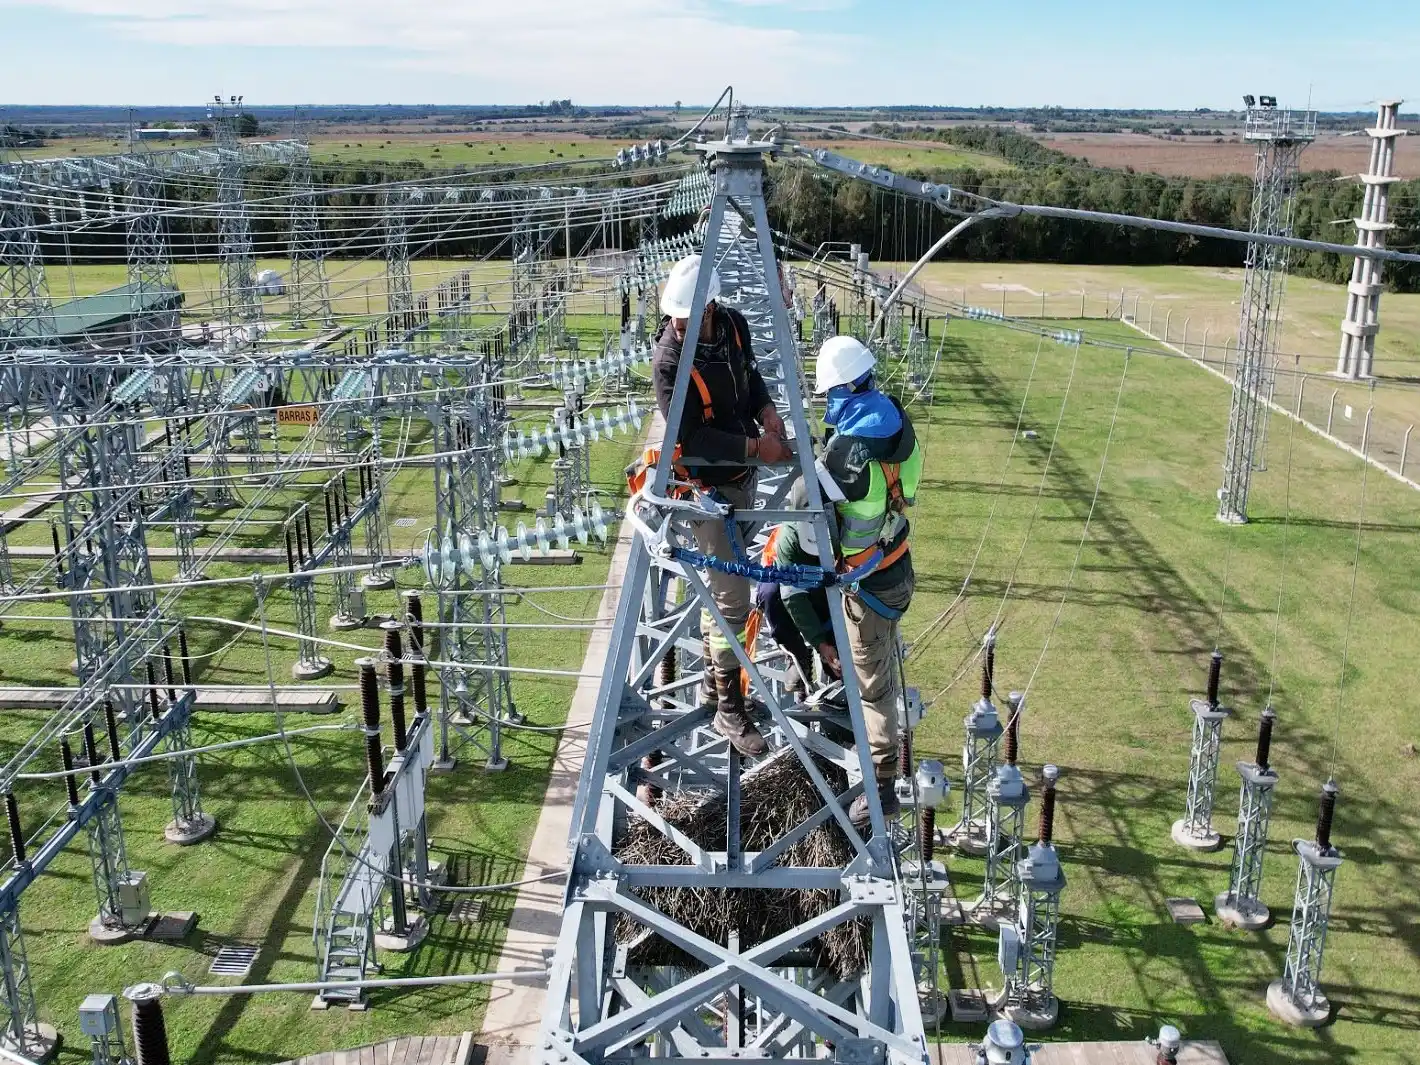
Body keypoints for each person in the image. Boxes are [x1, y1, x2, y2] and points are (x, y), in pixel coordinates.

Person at [652, 254, 792, 756]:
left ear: (710, 306)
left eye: (687, 315)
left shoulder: (732, 326)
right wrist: (759, 448)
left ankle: (716, 682)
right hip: (705, 492)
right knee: (731, 598)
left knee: (723, 591)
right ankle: (729, 710)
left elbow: (749, 379)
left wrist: (767, 411)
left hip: (741, 477)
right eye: (675, 316)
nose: (678, 324)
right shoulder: (670, 361)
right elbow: (689, 438)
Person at [813, 335, 923, 826]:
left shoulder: (847, 449)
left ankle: (880, 790)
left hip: (869, 584)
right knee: (879, 669)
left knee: (874, 689)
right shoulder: (896, 420)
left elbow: (812, 500)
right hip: (896, 565)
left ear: (840, 390)